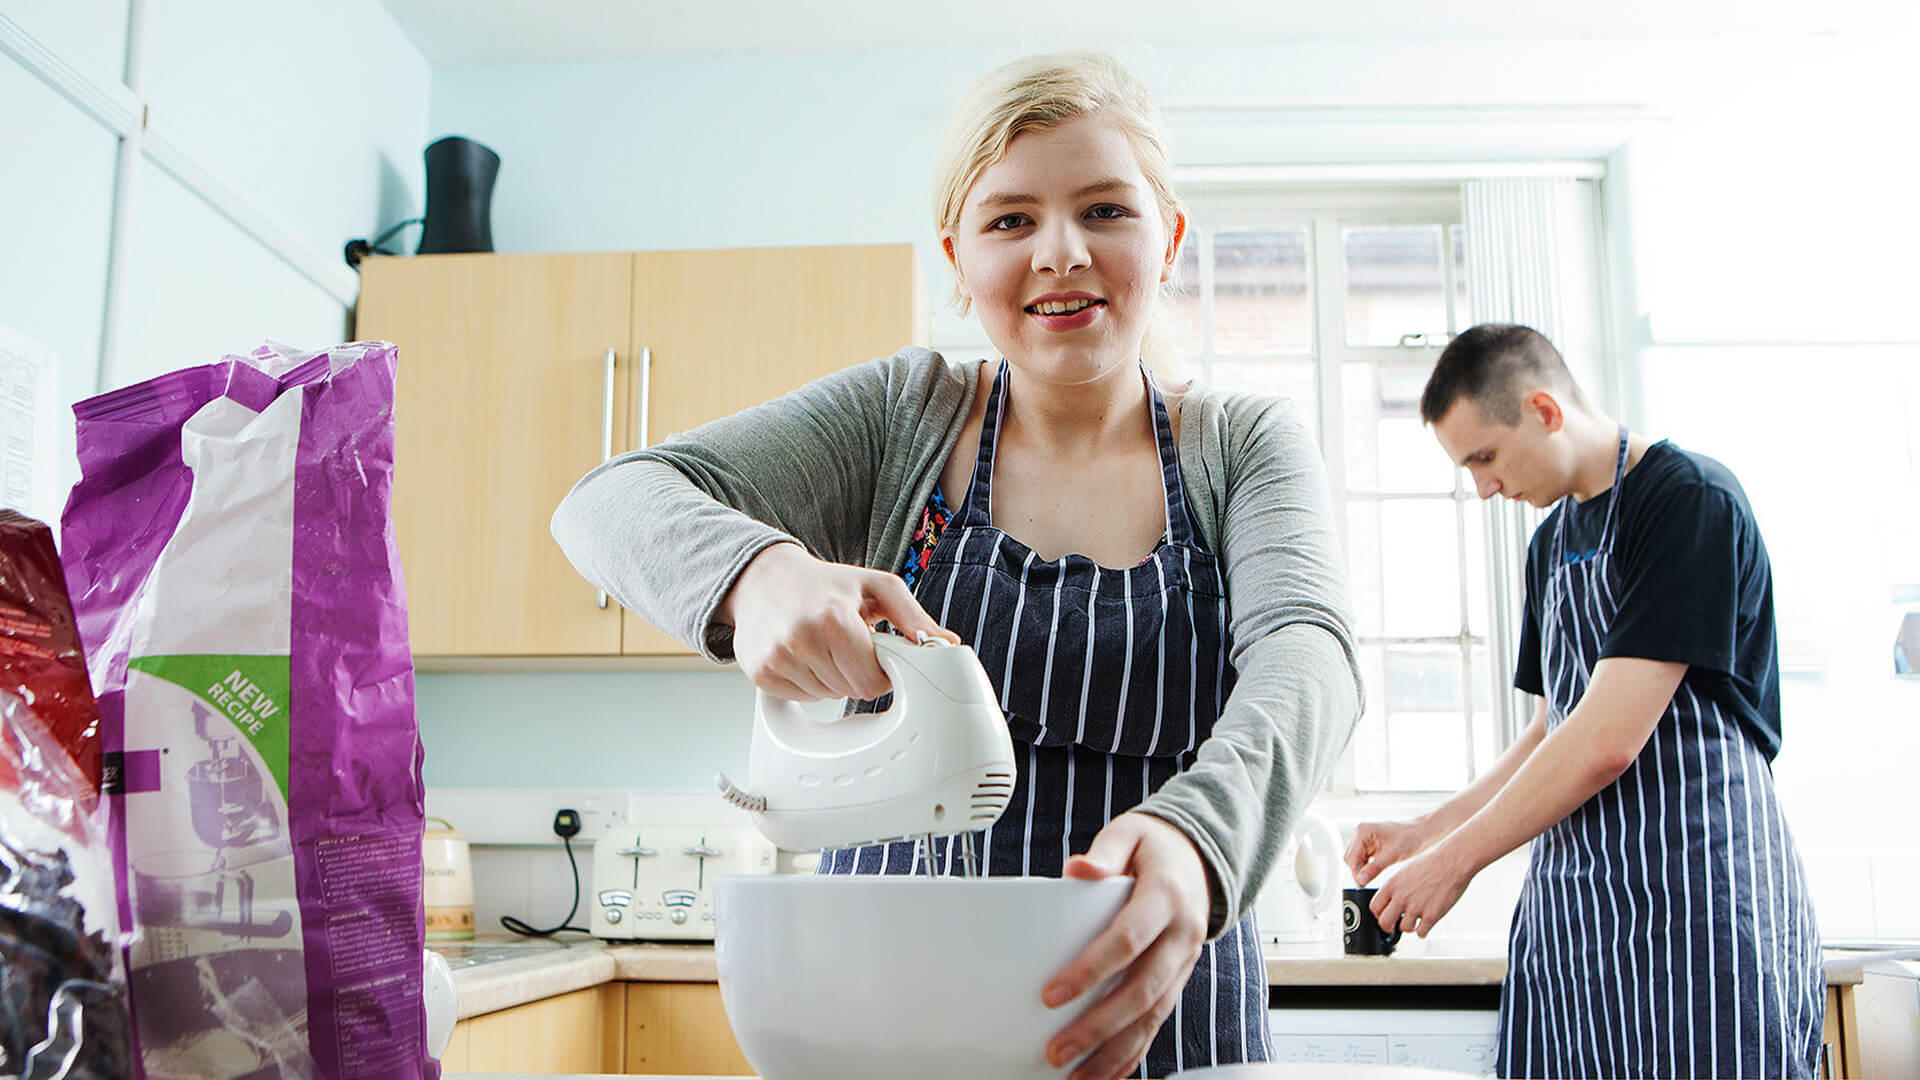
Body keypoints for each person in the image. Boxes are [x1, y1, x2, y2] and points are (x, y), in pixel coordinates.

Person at [551, 51, 1362, 1079]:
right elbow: (603, 504)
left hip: (1155, 1005)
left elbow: (1310, 657)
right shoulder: (904, 418)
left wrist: (1199, 845)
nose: (1060, 253)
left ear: (1171, 240)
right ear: (958, 254)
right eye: (1011, 220)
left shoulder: (1241, 445)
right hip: (882, 1001)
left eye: (1106, 210)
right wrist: (761, 573)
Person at [1345, 323, 1823, 1078]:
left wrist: (1456, 863)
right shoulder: (1550, 543)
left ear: (1545, 408)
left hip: (1696, 906)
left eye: (1484, 456)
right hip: (1582, 919)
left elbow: (1606, 738)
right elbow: (1551, 729)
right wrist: (1426, 831)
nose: (1484, 487)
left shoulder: (1686, 500)